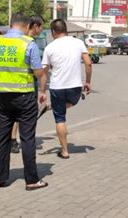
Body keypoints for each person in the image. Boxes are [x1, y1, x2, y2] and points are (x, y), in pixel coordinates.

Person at [0, 13, 48, 190]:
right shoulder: (29, 44)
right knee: (27, 138)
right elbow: (37, 72)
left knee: (2, 137)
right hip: (24, 95)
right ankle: (32, 180)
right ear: (27, 26)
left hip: (3, 96)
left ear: (10, 24)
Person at [41, 19, 92, 159]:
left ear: (53, 32)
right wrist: (87, 81)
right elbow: (88, 63)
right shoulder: (78, 43)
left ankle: (64, 151)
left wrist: (42, 91)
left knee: (60, 118)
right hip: (75, 86)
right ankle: (56, 106)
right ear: (66, 29)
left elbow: (44, 72)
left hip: (57, 87)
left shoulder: (49, 48)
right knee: (73, 102)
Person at [10, 15, 46, 154]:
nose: (42, 30)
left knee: (16, 115)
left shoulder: (24, 40)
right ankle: (18, 141)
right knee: (23, 115)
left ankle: (15, 140)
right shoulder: (28, 42)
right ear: (35, 26)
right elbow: (37, 70)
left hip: (15, 82)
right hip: (25, 84)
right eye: (41, 26)